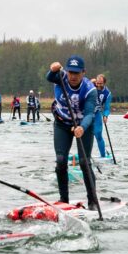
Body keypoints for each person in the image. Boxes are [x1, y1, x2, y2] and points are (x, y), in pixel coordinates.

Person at [47, 55, 100, 209]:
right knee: (61, 160)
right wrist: (52, 69)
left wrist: (82, 127)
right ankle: (63, 200)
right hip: (62, 123)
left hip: (83, 126)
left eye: (77, 73)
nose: (73, 76)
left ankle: (92, 200)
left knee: (84, 162)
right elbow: (49, 76)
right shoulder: (61, 77)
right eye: (71, 72)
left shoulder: (90, 89)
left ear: (83, 72)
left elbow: (90, 114)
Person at [90, 74, 112, 158]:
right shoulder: (90, 86)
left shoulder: (107, 93)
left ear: (104, 83)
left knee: (98, 134)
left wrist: (105, 116)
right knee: (85, 134)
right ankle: (84, 155)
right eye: (97, 83)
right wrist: (90, 82)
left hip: (97, 114)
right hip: (86, 113)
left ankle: (102, 156)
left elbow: (107, 108)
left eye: (101, 83)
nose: (98, 85)